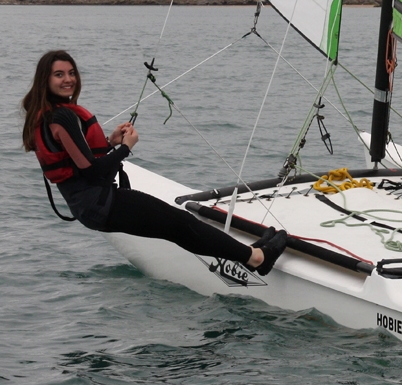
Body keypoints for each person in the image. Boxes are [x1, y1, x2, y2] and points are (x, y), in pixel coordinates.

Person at [22, 50, 288, 275]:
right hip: (100, 204)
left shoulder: (49, 116)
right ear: (45, 80)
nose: (68, 79)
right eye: (59, 75)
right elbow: (92, 172)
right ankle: (257, 259)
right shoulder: (63, 118)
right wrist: (126, 148)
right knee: (181, 225)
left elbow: (79, 160)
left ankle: (252, 254)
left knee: (177, 227)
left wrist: (110, 142)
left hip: (92, 207)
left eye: (71, 73)